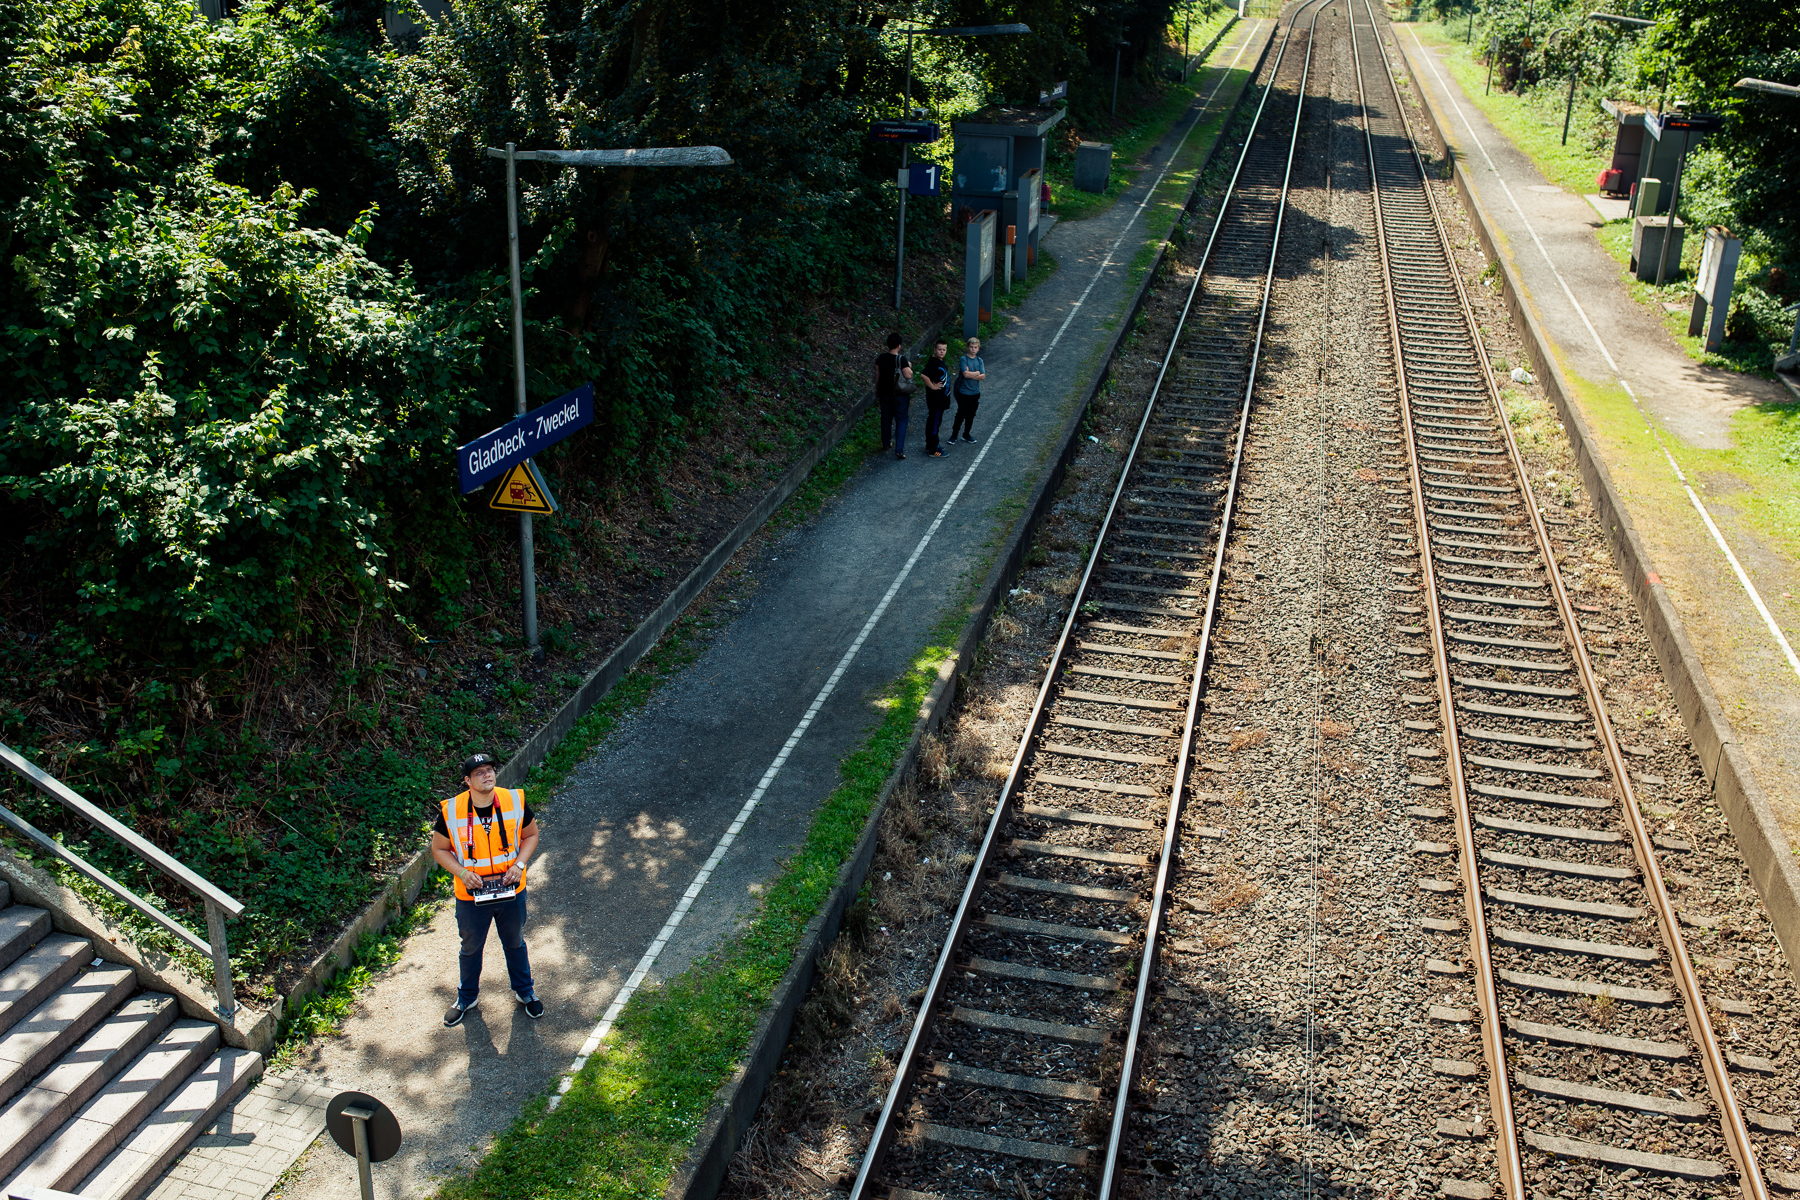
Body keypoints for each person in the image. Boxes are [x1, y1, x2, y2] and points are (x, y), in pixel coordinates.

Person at [432, 752, 544, 1026]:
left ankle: (525, 992)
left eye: (490, 769)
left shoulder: (513, 800)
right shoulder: (451, 810)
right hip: (471, 895)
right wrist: (462, 872)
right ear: (467, 781)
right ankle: (466, 997)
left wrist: (519, 864)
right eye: (479, 772)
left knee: (515, 942)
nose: (487, 775)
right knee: (470, 948)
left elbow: (531, 835)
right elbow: (439, 849)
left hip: (510, 890)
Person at [874, 332, 914, 461]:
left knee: (886, 418)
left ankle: (886, 443)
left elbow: (877, 376)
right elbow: (908, 375)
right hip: (899, 395)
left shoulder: (880, 358)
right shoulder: (901, 359)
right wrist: (909, 366)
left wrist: (877, 390)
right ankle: (899, 449)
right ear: (899, 345)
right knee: (901, 420)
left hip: (884, 393)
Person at [951, 337, 986, 444]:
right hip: (964, 392)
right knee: (960, 414)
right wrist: (977, 373)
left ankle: (966, 434)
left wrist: (971, 373)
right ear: (967, 347)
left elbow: (983, 376)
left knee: (971, 415)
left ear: (978, 348)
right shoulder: (964, 359)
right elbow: (965, 375)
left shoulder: (979, 360)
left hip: (975, 393)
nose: (973, 349)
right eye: (971, 347)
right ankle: (954, 435)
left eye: (975, 347)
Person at [921, 340, 952, 458]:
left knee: (934, 422)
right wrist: (933, 386)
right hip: (936, 400)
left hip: (940, 400)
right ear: (934, 350)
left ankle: (931, 445)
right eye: (939, 349)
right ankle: (934, 451)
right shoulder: (933, 362)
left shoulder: (939, 361)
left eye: (944, 349)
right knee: (934, 423)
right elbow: (924, 375)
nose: (942, 352)